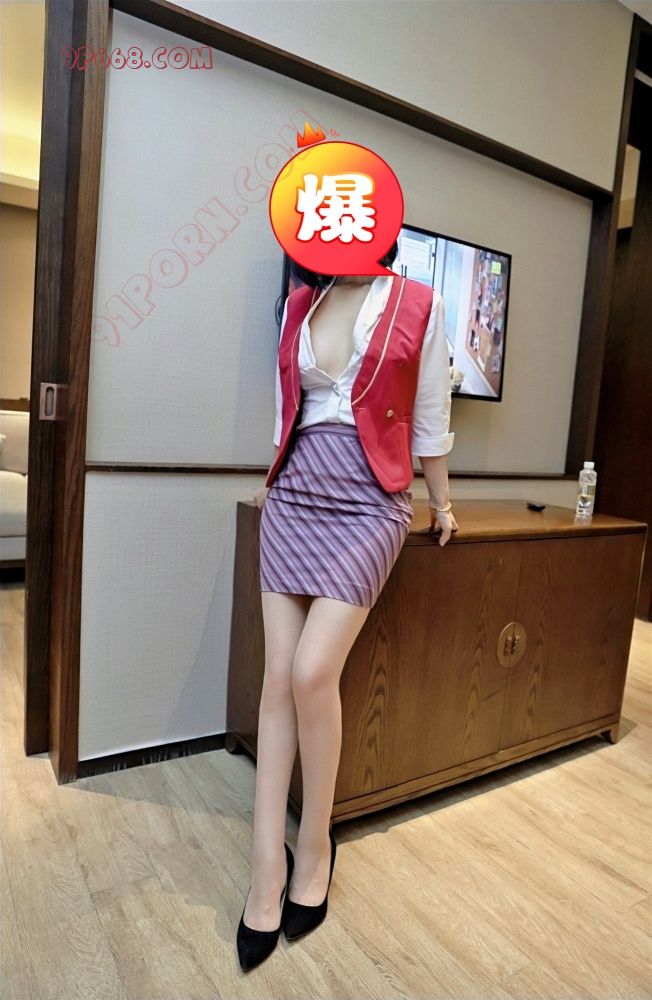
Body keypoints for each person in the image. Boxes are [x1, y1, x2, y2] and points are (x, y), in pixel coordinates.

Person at [236, 241, 458, 971]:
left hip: (370, 502)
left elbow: (429, 418)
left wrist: (441, 503)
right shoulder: (302, 300)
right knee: (277, 679)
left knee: (311, 673)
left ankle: (315, 846)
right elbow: (287, 409)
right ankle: (265, 866)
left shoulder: (421, 303)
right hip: (295, 492)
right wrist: (272, 477)